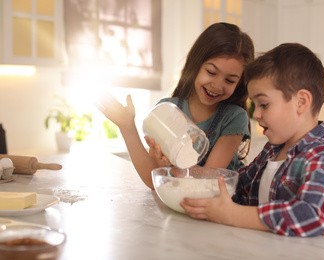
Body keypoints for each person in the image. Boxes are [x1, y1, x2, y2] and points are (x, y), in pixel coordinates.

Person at [180, 43, 324, 243]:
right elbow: (239, 184)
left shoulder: (322, 158)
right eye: (254, 105)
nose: (255, 114)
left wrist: (233, 214)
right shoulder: (272, 150)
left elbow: (312, 214)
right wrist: (195, 175)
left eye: (264, 104)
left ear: (301, 102)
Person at [96, 22, 255, 189]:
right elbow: (153, 181)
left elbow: (208, 180)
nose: (217, 85)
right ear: (196, 63)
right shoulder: (166, 111)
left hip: (219, 207)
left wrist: (173, 169)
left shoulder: (234, 118)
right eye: (211, 72)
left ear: (240, 82)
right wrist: (127, 127)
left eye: (229, 80)